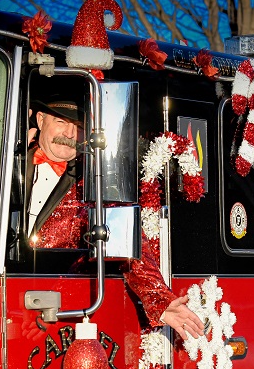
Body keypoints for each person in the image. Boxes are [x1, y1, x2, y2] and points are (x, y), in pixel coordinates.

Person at [25, 96, 203, 340]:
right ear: (40, 119)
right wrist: (7, 154)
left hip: (55, 309)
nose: (69, 133)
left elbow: (127, 241)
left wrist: (159, 298)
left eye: (77, 127)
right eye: (60, 121)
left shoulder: (92, 183)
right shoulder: (8, 164)